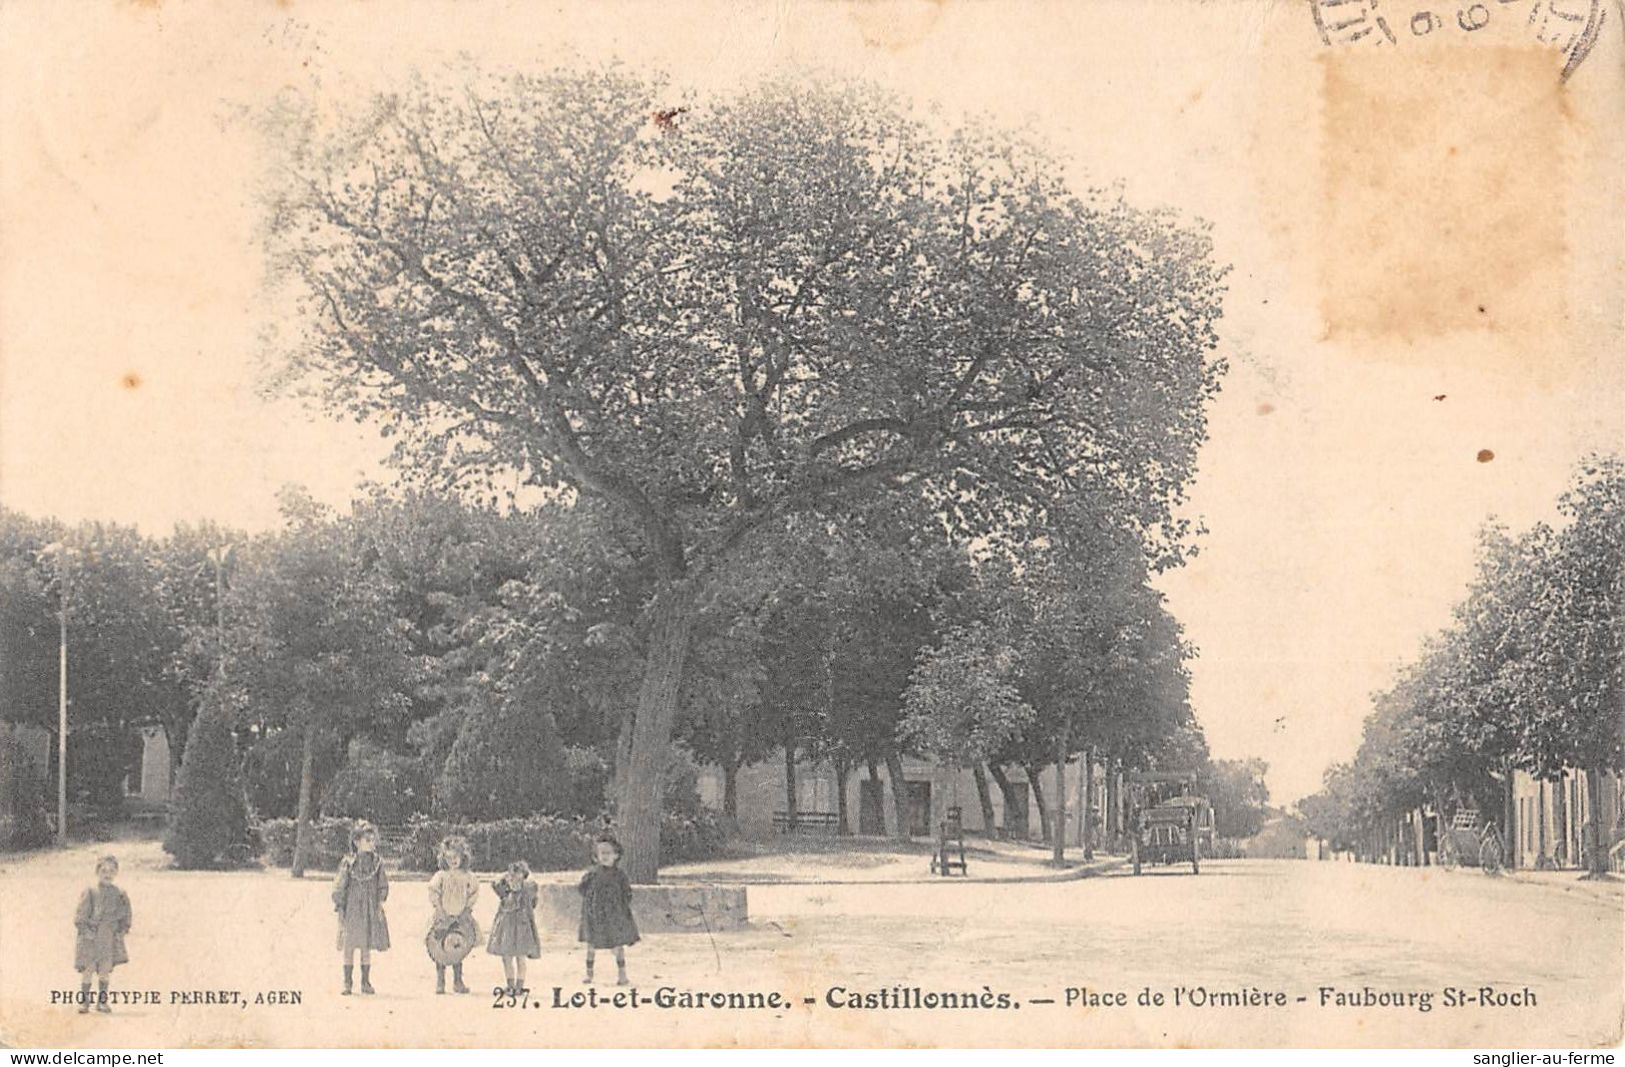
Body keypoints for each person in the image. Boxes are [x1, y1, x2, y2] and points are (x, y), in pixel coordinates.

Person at [333, 821, 390, 995]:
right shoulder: (349, 863)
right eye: (367, 840)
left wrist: (380, 902)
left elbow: (382, 884)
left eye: (373, 840)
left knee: (366, 945)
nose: (372, 843)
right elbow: (340, 885)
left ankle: (365, 982)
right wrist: (339, 904)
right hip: (352, 909)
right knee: (349, 945)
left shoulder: (377, 863)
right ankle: (347, 982)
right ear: (357, 842)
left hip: (369, 908)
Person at [577, 834, 638, 986]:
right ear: (596, 856)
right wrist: (591, 904)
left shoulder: (620, 875)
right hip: (594, 915)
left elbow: (627, 893)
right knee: (591, 944)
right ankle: (589, 974)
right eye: (601, 853)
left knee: (618, 944)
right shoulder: (591, 874)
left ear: (616, 855)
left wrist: (620, 908)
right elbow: (582, 889)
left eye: (608, 853)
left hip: (614, 915)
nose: (604, 856)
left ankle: (622, 975)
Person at [73, 855, 131, 1014]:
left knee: (105, 971)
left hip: (108, 938)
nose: (108, 874)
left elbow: (125, 914)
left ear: (116, 873)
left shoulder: (119, 893)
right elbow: (80, 916)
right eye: (104, 870)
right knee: (88, 970)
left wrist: (121, 930)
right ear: (97, 871)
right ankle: (84, 1003)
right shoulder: (90, 891)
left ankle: (102, 1003)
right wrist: (85, 931)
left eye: (112, 871)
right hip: (90, 938)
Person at [427, 835, 479, 995]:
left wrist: (467, 910)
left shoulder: (468, 876)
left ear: (463, 856)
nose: (453, 861)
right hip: (443, 916)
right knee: (440, 948)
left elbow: (474, 892)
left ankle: (458, 981)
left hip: (460, 916)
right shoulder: (441, 876)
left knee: (458, 947)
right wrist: (439, 908)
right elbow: (433, 891)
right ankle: (440, 981)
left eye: (455, 857)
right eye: (449, 858)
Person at [486, 860, 540, 995]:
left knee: (520, 958)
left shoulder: (526, 892)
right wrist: (506, 876)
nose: (514, 880)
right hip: (506, 930)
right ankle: (510, 985)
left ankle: (519, 987)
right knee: (506, 957)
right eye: (511, 877)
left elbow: (534, 890)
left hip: (522, 930)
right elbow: (494, 883)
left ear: (523, 877)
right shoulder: (505, 892)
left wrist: (523, 878)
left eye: (518, 876)